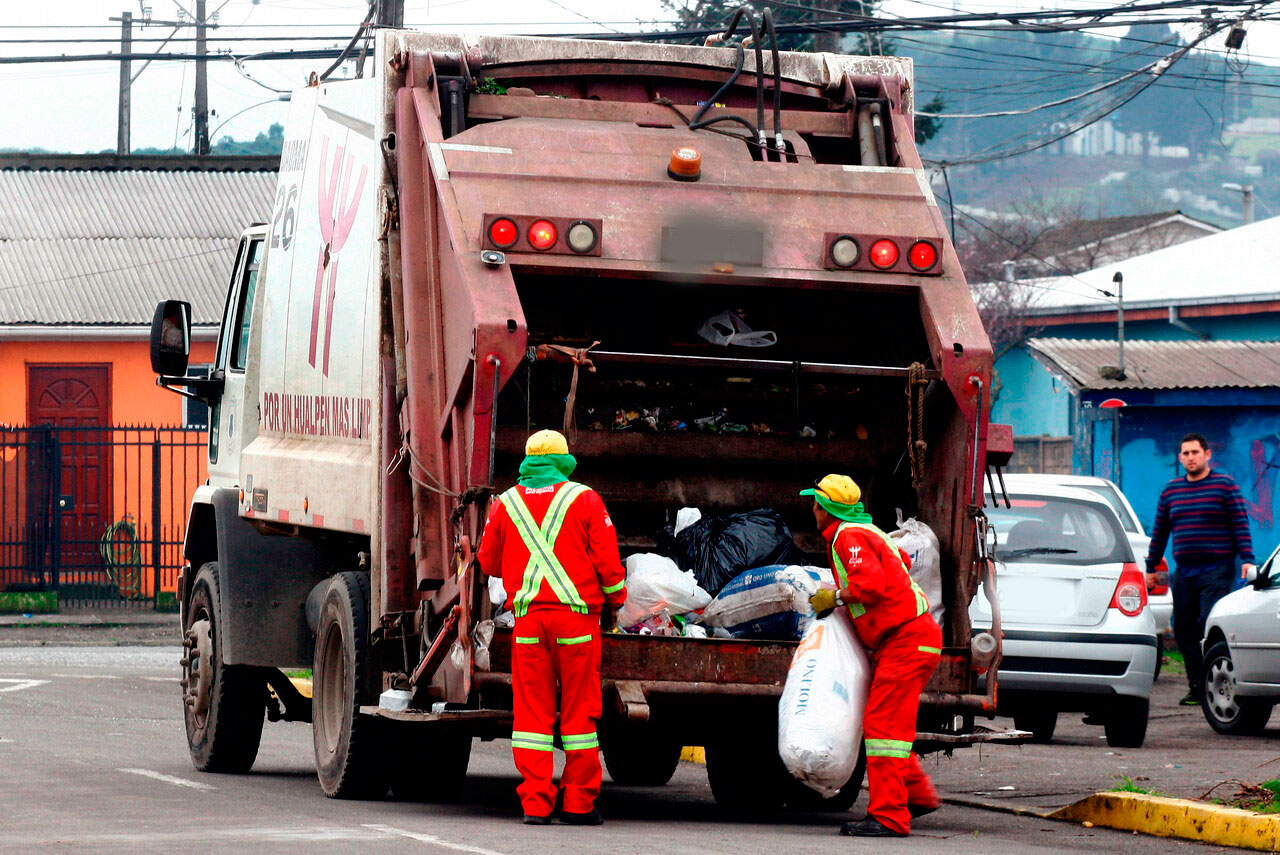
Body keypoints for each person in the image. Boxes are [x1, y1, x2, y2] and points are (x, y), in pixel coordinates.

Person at [471, 429, 627, 826]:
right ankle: (578, 804)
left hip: (528, 627)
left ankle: (535, 805)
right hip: (576, 625)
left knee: (532, 718)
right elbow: (609, 566)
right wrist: (618, 600)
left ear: (527, 461)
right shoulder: (585, 498)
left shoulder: (505, 504)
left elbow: (487, 564)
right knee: (580, 715)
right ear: (564, 460)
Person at [804, 474, 942, 838]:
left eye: (816, 503)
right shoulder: (868, 532)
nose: (812, 509)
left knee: (883, 729)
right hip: (912, 637)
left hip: (905, 640)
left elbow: (871, 585)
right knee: (890, 728)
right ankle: (917, 796)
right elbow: (899, 564)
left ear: (827, 508)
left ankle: (889, 816)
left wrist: (832, 598)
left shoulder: (848, 536)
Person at [1147, 432, 1256, 706]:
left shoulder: (1224, 485)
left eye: (1195, 452)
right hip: (1184, 572)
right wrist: (1151, 567)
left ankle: (1219, 684)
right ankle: (1196, 686)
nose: (1190, 458)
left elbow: (1240, 524)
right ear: (1180, 458)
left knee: (1210, 625)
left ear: (1207, 454)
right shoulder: (1171, 491)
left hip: (1216, 569)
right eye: (1185, 453)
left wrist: (1247, 559)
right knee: (1183, 630)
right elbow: (1160, 532)